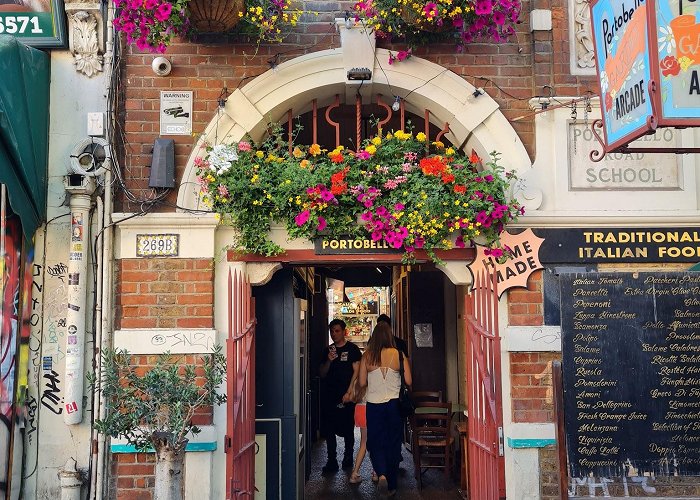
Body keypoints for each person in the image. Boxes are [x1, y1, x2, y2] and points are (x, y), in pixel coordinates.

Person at [359, 322, 412, 497]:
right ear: (390, 336)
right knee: (393, 442)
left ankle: (381, 473)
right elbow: (409, 381)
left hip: (374, 405)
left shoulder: (367, 356)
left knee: (375, 441)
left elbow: (361, 383)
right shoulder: (399, 354)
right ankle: (392, 484)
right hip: (394, 405)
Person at [319, 319, 362, 474]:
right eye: (331, 331)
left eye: (337, 331)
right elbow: (322, 373)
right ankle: (332, 461)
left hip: (347, 396)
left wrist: (351, 392)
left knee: (348, 429)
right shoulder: (327, 351)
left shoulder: (353, 349)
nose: (334, 334)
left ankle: (348, 457)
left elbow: (358, 374)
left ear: (344, 331)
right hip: (330, 396)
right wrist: (329, 361)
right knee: (329, 430)